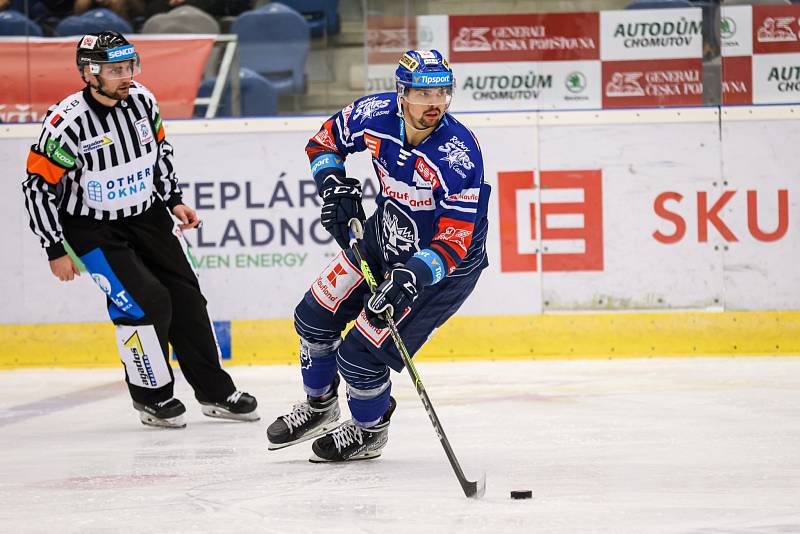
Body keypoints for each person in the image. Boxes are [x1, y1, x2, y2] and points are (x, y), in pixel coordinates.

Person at [21, 31, 258, 429]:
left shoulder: (143, 101)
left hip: (147, 217)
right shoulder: (67, 123)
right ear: (89, 73)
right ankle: (153, 399)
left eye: (130, 66)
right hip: (93, 229)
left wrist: (174, 199)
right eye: (116, 70)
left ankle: (215, 392)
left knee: (187, 299)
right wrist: (54, 248)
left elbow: (159, 153)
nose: (127, 75)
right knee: (146, 302)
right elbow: (37, 186)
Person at [267, 49, 490, 462]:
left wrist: (411, 277)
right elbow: (324, 142)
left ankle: (370, 430)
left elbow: (455, 242)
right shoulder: (375, 114)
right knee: (313, 316)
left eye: (442, 92)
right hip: (385, 234)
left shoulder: (458, 155)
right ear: (401, 95)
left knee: (360, 355)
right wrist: (334, 184)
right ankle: (320, 408)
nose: (435, 103)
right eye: (424, 94)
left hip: (438, 268)